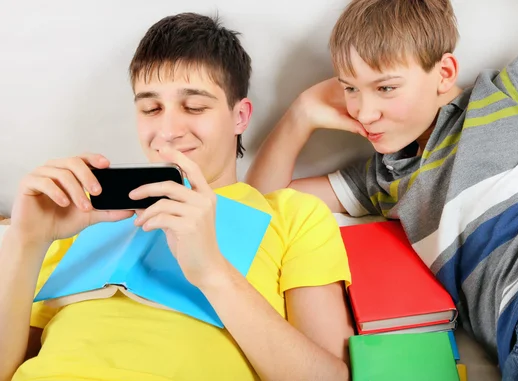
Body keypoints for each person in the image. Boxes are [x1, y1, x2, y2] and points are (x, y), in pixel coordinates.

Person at [247, 0, 518, 379]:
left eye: (385, 87)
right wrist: (300, 114)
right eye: (350, 88)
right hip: (516, 338)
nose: (364, 112)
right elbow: (257, 207)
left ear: (444, 72)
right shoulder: (385, 180)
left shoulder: (509, 97)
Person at [0, 13, 354, 381]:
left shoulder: (293, 215)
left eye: (195, 107)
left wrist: (212, 271)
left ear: (240, 116)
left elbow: (328, 377)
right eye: (151, 109)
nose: (167, 131)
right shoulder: (73, 217)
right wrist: (25, 241)